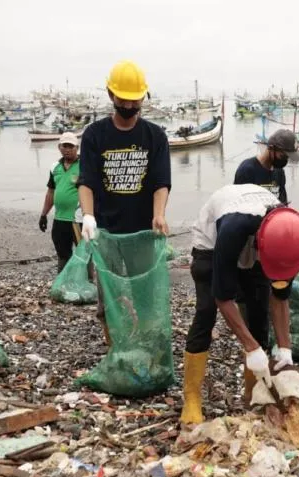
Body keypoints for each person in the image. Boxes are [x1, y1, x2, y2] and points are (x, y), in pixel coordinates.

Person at [180, 184, 299, 424]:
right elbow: (223, 297)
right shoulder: (232, 229)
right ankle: (192, 397)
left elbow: (280, 295)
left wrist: (285, 348)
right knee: (206, 312)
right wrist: (250, 348)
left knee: (257, 312)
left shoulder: (292, 237)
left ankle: (254, 396)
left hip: (261, 239)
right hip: (212, 242)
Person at [77, 60, 171, 342]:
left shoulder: (155, 136)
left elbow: (161, 183)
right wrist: (88, 216)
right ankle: (115, 346)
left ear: (143, 98)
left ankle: (145, 340)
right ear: (110, 94)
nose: (129, 106)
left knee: (144, 292)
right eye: (123, 100)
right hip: (106, 232)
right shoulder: (94, 135)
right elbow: (86, 181)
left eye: (135, 100)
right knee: (109, 295)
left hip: (142, 232)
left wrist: (159, 214)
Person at [39, 132, 82, 272]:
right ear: (59, 147)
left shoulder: (85, 165)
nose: (67, 149)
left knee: (85, 254)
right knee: (62, 254)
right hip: (60, 219)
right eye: (65, 146)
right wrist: (44, 214)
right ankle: (63, 280)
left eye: (71, 146)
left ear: (77, 148)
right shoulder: (55, 167)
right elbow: (51, 192)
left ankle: (87, 280)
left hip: (79, 220)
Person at [234, 129, 296, 204]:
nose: (285, 160)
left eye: (287, 157)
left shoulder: (279, 171)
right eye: (282, 156)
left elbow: (283, 203)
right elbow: (238, 204)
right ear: (271, 148)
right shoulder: (246, 170)